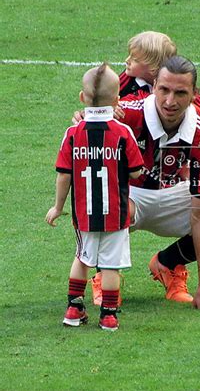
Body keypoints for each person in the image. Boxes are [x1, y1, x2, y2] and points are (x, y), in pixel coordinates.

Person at [120, 55, 200, 312]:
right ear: (153, 85)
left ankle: (167, 263)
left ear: (194, 95)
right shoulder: (125, 114)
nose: (170, 101)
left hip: (174, 194)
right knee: (104, 203)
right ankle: (105, 279)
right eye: (164, 90)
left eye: (180, 93)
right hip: (129, 197)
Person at [45, 63, 144, 331]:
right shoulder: (124, 133)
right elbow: (136, 173)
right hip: (116, 213)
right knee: (111, 266)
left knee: (82, 258)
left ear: (82, 98)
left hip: (83, 214)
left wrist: (57, 207)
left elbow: (63, 174)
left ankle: (74, 309)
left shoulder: (73, 133)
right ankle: (108, 316)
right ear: (117, 100)